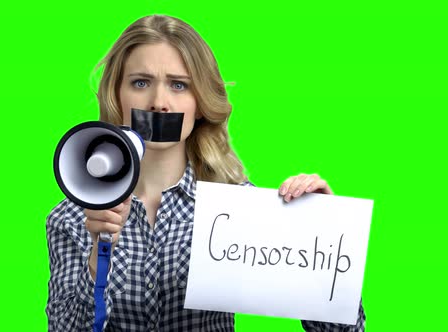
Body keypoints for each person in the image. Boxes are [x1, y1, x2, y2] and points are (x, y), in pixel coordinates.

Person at [46, 14, 366, 331]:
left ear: (199, 102)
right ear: (117, 94)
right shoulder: (72, 218)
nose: (159, 103)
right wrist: (97, 257)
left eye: (178, 85)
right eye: (140, 83)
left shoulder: (243, 210)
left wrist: (323, 236)